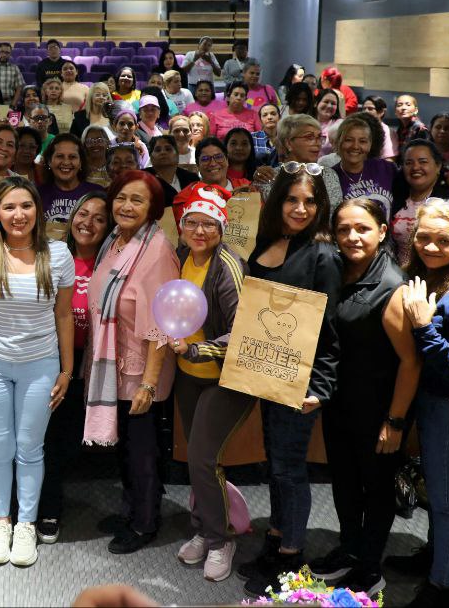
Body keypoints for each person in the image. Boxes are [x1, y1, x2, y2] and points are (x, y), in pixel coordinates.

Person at [0, 177, 74, 568]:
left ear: (37, 210)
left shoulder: (57, 254)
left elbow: (63, 315)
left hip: (40, 364)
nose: (18, 214)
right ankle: (0, 520)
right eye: (9, 207)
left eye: (26, 205)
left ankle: (26, 523)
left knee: (30, 448)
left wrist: (67, 369)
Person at [381, 199, 449, 608]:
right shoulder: (435, 276)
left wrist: (425, 325)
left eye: (442, 240)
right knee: (436, 491)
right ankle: (434, 559)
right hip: (431, 402)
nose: (429, 247)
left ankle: (442, 587)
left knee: (446, 502)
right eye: (423, 238)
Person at [241, 167, 343, 597]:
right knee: (275, 465)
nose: (301, 209)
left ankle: (291, 556)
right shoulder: (265, 243)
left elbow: (331, 331)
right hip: (265, 372)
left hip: (300, 382)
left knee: (290, 468)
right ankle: (276, 539)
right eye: (292, 200)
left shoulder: (324, 255)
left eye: (310, 202)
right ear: (278, 201)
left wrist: (318, 387)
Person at [307, 198, 416, 598]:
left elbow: (410, 363)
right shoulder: (335, 273)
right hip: (340, 403)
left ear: (383, 232)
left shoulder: (391, 285)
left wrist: (396, 421)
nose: (352, 237)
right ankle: (350, 549)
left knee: (376, 487)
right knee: (346, 484)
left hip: (379, 411)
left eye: (363, 229)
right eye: (343, 230)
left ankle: (370, 568)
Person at [83, 169, 179, 556]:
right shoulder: (116, 241)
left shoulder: (156, 252)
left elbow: (163, 324)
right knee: (127, 448)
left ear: (153, 208)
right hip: (115, 366)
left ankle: (144, 522)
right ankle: (130, 510)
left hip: (141, 371)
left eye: (137, 200)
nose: (126, 206)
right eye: (121, 197)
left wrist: (149, 384)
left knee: (142, 452)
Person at [164, 183, 250, 583]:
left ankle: (221, 539)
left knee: (203, 458)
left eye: (209, 225)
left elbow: (240, 334)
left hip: (224, 378)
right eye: (192, 223)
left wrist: (197, 352)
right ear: (181, 227)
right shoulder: (180, 257)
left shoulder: (227, 268)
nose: (199, 231)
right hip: (188, 376)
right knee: (194, 459)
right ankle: (203, 527)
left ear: (221, 229)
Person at [33, 191, 109, 544]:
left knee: (64, 443)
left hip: (90, 368)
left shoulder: (112, 263)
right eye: (83, 214)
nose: (87, 223)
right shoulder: (52, 256)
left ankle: (49, 505)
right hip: (48, 362)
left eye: (98, 217)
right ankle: (35, 508)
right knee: (40, 439)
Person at [328, 115, 396, 216]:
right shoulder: (330, 178)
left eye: (362, 141)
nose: (355, 146)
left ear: (370, 144)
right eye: (349, 140)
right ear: (338, 142)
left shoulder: (386, 169)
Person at [37, 135, 98, 225]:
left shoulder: (96, 194)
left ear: (81, 162)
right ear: (49, 161)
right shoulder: (37, 194)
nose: (66, 162)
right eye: (60, 156)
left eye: (72, 157)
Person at [151, 135, 199, 205]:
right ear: (151, 158)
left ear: (177, 156)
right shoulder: (142, 180)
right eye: (158, 150)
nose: (163, 152)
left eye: (168, 149)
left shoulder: (192, 179)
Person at [361, 96, 398, 160]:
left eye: (370, 109)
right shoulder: (359, 129)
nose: (366, 112)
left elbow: (389, 160)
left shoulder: (387, 132)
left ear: (381, 112)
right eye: (364, 109)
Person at [316, 89, 344, 156]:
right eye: (326, 101)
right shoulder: (306, 122)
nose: (329, 106)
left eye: (333, 103)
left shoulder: (340, 125)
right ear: (316, 103)